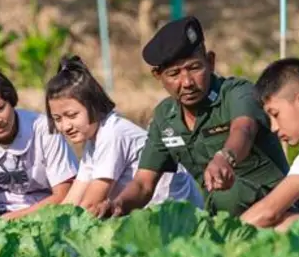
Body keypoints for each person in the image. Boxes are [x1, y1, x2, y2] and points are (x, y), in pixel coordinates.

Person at [92, 15, 290, 218]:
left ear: (210, 62)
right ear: (158, 76)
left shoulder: (237, 93)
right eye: (174, 74)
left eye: (194, 68)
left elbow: (244, 129)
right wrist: (118, 205)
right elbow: (143, 183)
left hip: (277, 208)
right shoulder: (165, 117)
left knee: (227, 195)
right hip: (222, 218)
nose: (187, 82)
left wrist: (225, 157)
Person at [44, 55, 204, 211]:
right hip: (143, 212)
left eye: (72, 115)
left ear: (93, 105)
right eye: (57, 118)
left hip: (176, 211)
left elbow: (91, 203)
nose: (65, 126)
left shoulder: (112, 133)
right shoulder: (93, 140)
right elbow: (72, 200)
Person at [0, 66, 79, 222]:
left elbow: (64, 195)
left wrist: (11, 220)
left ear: (10, 99)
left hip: (47, 218)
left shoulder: (44, 129)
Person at [240, 57, 299, 230]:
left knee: (280, 226)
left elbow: (269, 211)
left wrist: (223, 238)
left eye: (275, 114)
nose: (274, 128)